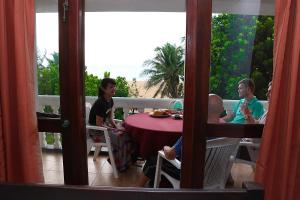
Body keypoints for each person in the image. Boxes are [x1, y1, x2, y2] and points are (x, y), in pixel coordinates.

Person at [135, 94, 225, 187]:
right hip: (213, 172)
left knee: (153, 161)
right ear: (222, 110)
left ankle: (137, 189)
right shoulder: (227, 131)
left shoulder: (194, 132)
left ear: (203, 109)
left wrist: (165, 148)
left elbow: (170, 155)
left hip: (189, 174)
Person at [88, 78, 136, 171]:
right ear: (103, 89)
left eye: (114, 86)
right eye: (111, 87)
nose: (114, 89)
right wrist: (115, 130)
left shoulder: (110, 100)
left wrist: (116, 127)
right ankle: (119, 165)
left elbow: (110, 118)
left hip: (104, 127)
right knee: (120, 137)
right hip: (96, 131)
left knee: (126, 134)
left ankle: (124, 161)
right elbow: (98, 124)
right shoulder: (100, 103)